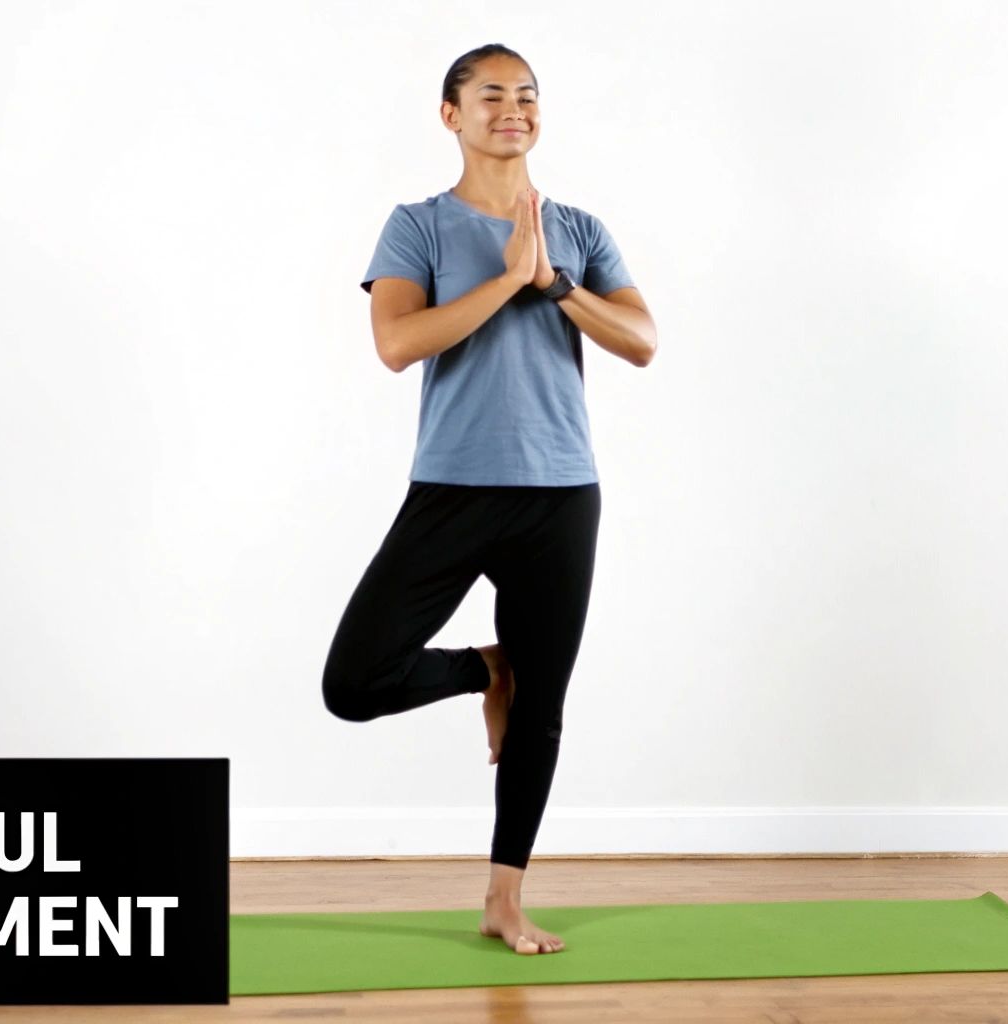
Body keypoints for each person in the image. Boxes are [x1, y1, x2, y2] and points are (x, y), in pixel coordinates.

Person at [322, 43, 657, 956]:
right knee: (353, 681)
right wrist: (508, 279)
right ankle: (486, 667)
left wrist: (554, 283)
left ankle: (505, 898)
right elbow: (398, 343)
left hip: (559, 493)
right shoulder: (418, 226)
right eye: (493, 94)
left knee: (543, 708)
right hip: (455, 485)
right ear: (452, 115)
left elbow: (642, 339)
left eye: (528, 95)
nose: (515, 108)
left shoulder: (578, 229)